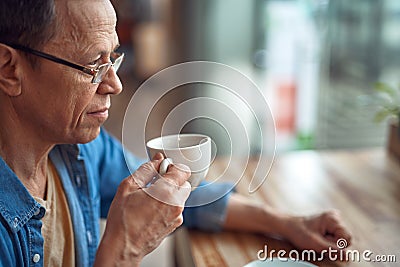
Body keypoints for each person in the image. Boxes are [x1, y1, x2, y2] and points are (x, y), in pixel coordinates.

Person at [0, 0, 352, 266]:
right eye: (93, 65)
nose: (115, 84)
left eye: (114, 60)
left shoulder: (73, 150)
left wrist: (287, 224)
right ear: (9, 69)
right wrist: (123, 250)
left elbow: (183, 199)